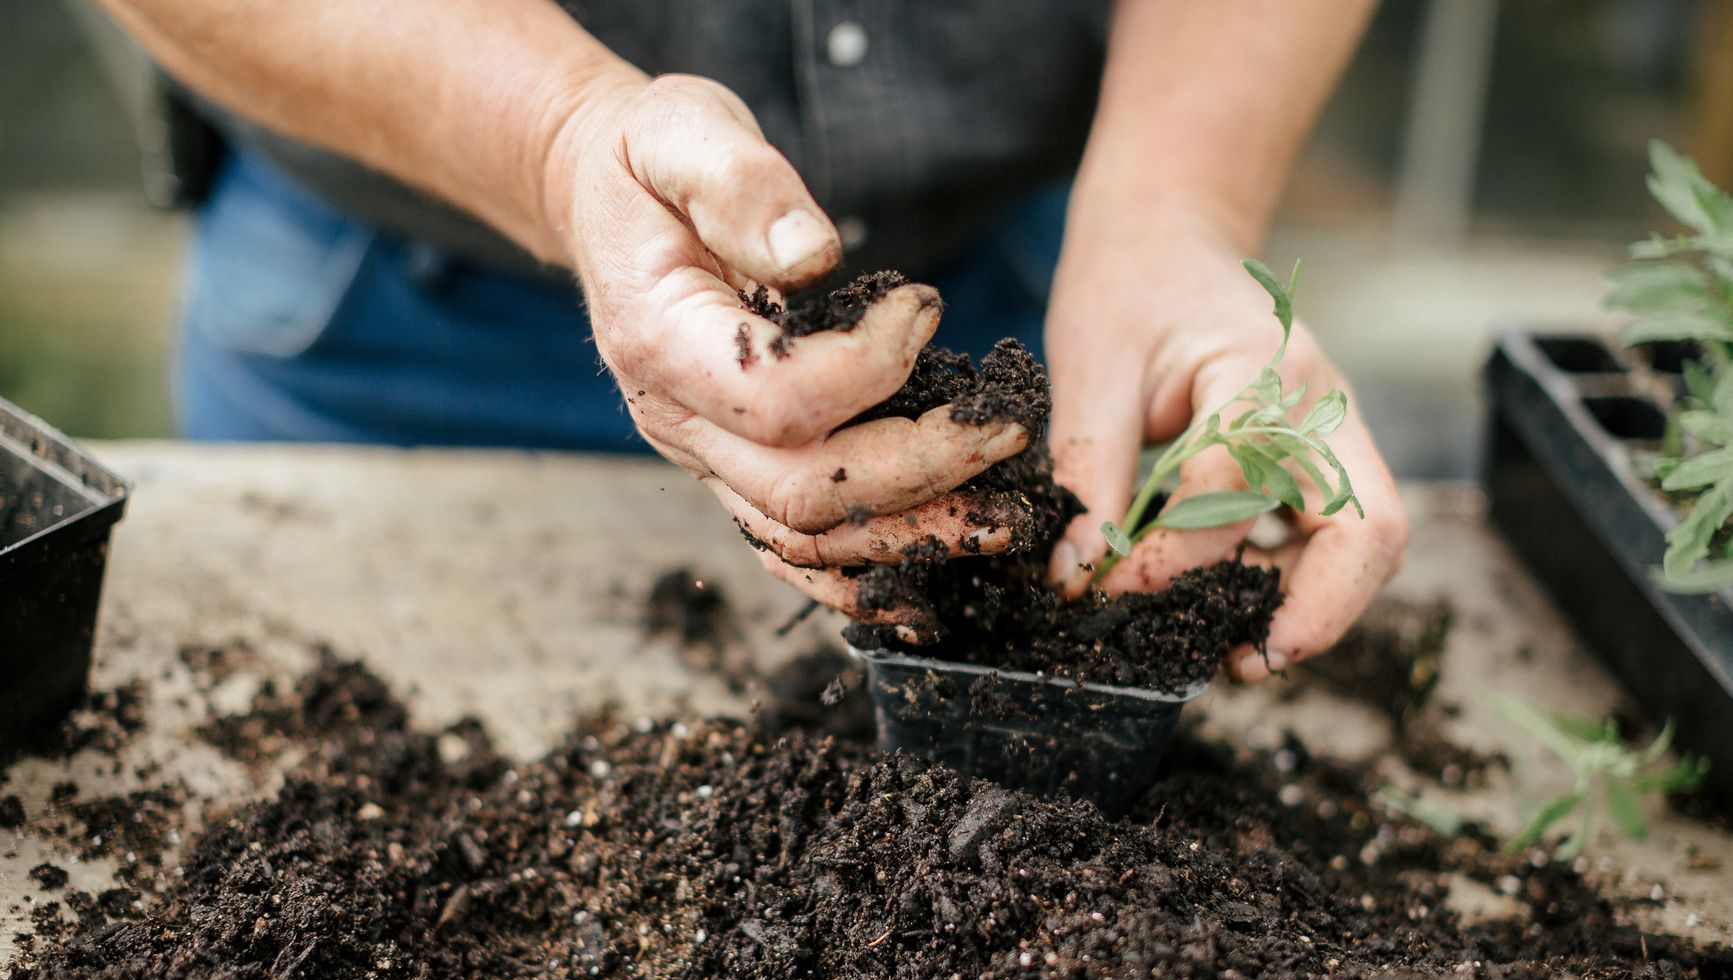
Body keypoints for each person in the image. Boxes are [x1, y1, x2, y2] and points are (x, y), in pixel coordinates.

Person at [99, 0, 1408, 680]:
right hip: (406, 310)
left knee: (1049, 593)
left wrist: (1177, 199)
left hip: (1023, 282)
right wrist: (557, 135)